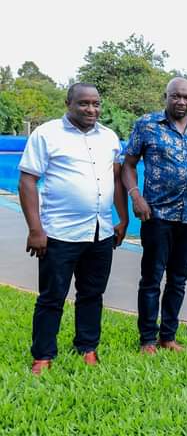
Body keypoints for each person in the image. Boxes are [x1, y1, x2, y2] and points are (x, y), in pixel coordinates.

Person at [18, 83, 128, 374]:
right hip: (59, 233)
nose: (91, 109)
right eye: (84, 104)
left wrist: (123, 217)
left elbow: (116, 180)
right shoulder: (46, 134)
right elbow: (27, 181)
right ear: (68, 103)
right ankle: (43, 355)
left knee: (92, 294)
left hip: (100, 232)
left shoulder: (109, 137)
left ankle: (87, 347)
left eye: (96, 104)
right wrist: (35, 229)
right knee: (52, 297)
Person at [122, 77, 187, 354]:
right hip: (157, 215)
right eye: (176, 96)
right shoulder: (147, 125)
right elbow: (128, 164)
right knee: (151, 279)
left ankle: (168, 336)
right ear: (166, 96)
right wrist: (136, 196)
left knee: (178, 280)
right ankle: (147, 339)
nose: (182, 102)